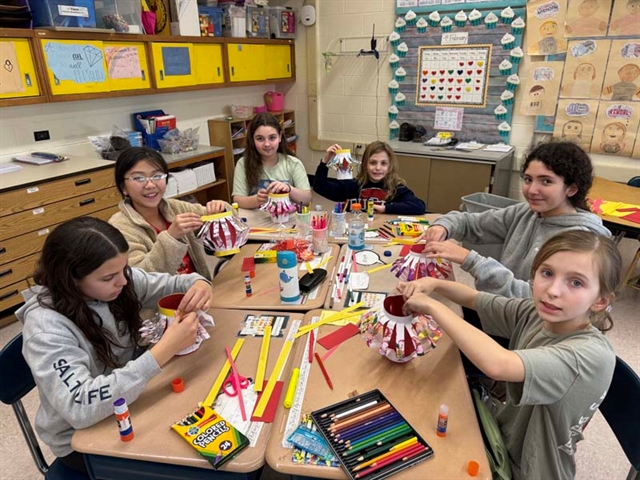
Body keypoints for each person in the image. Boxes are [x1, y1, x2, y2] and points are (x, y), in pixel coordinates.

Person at [398, 230, 621, 480]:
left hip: (524, 470)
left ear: (600, 301)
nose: (553, 291)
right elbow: (475, 299)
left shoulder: (588, 357)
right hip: (500, 437)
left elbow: (498, 364)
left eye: (576, 282)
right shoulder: (536, 314)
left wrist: (432, 305)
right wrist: (434, 284)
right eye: (547, 273)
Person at [16, 217, 212, 475]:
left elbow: (176, 284)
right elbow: (79, 406)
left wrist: (200, 284)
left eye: (123, 270)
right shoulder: (46, 328)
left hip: (132, 399)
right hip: (84, 438)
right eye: (109, 277)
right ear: (69, 279)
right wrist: (162, 351)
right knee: (194, 465)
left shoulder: (119, 282)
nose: (122, 282)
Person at [419, 141, 610, 298]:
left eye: (546, 181)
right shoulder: (525, 213)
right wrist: (443, 226)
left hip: (527, 332)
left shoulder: (578, 240)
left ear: (571, 189)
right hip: (498, 310)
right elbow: (470, 222)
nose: (532, 190)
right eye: (528, 179)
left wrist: (470, 260)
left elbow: (534, 298)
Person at [110, 147, 230, 279]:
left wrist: (221, 209)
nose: (150, 185)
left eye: (157, 176)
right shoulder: (120, 227)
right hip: (163, 299)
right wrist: (171, 237)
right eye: (139, 178)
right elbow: (141, 279)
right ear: (123, 187)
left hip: (198, 290)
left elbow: (231, 222)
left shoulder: (175, 207)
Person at [313, 141, 426, 215]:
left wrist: (386, 208)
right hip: (355, 230)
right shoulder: (353, 186)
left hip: (382, 232)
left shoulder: (395, 188)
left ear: (390, 166)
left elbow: (419, 206)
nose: (378, 168)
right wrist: (325, 161)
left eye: (383, 163)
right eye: (373, 163)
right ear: (365, 165)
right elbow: (320, 187)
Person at [232, 112, 312, 209]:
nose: (267, 144)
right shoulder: (243, 164)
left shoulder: (293, 163)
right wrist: (257, 199)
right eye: (260, 139)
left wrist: (289, 189)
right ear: (252, 140)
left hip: (286, 219)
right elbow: (237, 200)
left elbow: (307, 199)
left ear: (280, 137)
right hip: (256, 219)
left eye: (272, 138)